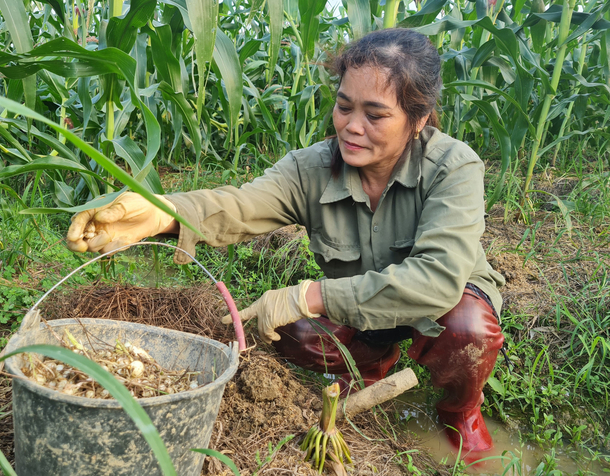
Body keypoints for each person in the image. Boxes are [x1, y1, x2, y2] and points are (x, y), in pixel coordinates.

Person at [66, 28, 505, 462]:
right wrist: (160, 211)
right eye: (344, 106)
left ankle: (460, 411)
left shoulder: (453, 167)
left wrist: (310, 294)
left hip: (442, 306)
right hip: (363, 308)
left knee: (468, 328)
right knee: (292, 331)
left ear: (419, 118)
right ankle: (370, 365)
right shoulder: (310, 168)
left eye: (375, 115)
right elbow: (241, 204)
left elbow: (437, 281)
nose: (352, 127)